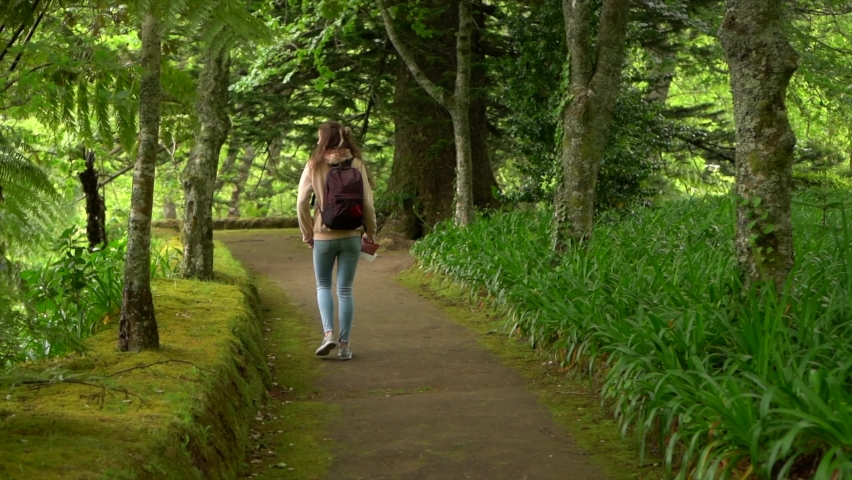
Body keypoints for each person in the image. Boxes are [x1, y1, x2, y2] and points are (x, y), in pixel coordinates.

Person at [297, 121, 377, 361]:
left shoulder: (314, 164)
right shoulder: (357, 163)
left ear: (324, 139)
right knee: (345, 290)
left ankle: (328, 334)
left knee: (323, 285)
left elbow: (301, 202)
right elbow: (368, 204)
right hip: (352, 235)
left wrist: (308, 232)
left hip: (323, 235)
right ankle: (344, 346)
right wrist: (370, 232)